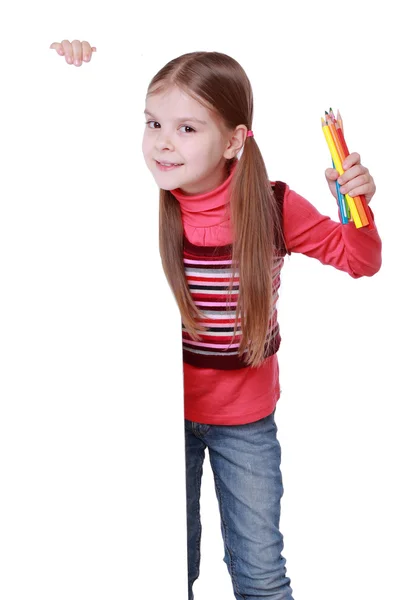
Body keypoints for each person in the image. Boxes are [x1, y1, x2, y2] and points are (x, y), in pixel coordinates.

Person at [50, 42, 382, 600]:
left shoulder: (273, 205)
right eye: (153, 122)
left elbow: (361, 261)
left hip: (245, 421)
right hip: (154, 420)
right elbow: (59, 131)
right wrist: (71, 61)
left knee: (260, 571)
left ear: (233, 140)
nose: (161, 141)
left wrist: (358, 208)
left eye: (186, 128)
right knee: (162, 567)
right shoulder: (132, 200)